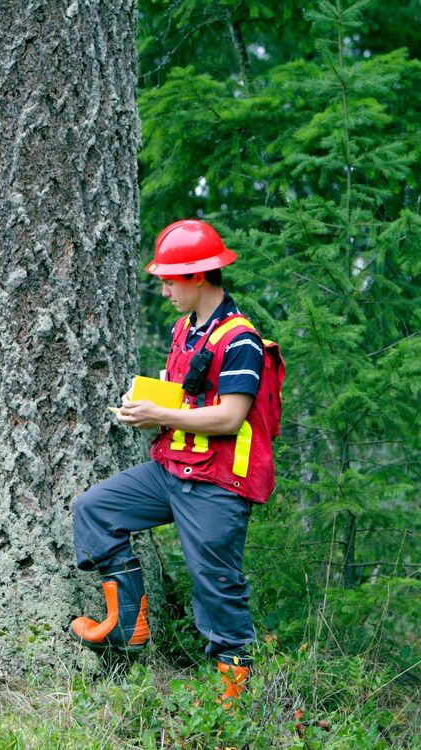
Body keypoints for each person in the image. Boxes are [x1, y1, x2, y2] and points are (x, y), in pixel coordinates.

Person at [68, 219, 282, 703]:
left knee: (216, 583)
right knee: (95, 509)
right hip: (173, 469)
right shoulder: (185, 328)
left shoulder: (241, 340)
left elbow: (230, 417)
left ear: (199, 277)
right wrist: (146, 408)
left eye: (170, 281)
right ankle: (127, 626)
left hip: (218, 483)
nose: (164, 291)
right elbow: (187, 396)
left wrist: (160, 414)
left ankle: (232, 699)